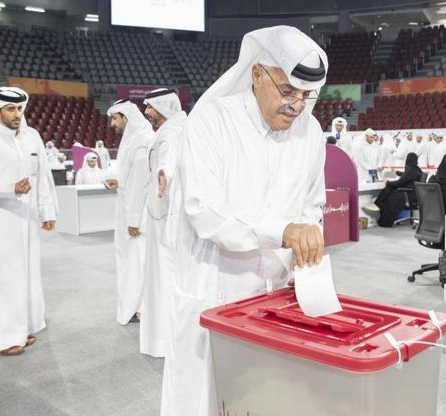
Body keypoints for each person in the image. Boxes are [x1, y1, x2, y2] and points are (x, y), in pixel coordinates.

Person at [160, 25, 328, 416]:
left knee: (262, 394)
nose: (297, 106)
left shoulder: (312, 132)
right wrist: (283, 231)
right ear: (256, 73)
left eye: (306, 95)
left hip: (275, 291)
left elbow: (312, 204)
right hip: (213, 284)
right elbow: (204, 208)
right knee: (202, 394)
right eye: (288, 91)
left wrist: (306, 238)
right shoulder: (212, 119)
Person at [0, 87, 58, 356]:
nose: (17, 114)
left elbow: (43, 177)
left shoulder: (32, 138)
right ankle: (5, 339)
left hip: (27, 221)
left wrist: (47, 212)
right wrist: (10, 189)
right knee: (3, 277)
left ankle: (21, 329)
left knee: (25, 276)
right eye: (11, 109)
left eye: (20, 109)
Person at [139, 87, 187, 358]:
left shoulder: (170, 134)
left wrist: (163, 174)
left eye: (151, 108)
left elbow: (167, 161)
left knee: (163, 275)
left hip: (164, 216)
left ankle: (164, 339)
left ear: (164, 107)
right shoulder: (181, 127)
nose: (147, 113)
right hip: (169, 213)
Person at [105, 98, 154, 325]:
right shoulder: (132, 139)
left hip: (138, 216)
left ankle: (143, 307)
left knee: (139, 261)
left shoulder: (143, 140)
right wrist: (118, 181)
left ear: (126, 117)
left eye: (115, 118)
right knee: (129, 260)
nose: (112, 123)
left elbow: (140, 184)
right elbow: (130, 179)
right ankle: (133, 305)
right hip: (128, 211)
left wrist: (134, 220)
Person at [366, 153, 423, 227]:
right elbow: (405, 176)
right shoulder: (415, 169)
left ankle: (384, 219)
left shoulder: (411, 171)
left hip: (409, 195)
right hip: (412, 193)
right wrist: (396, 172)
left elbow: (398, 183)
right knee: (389, 189)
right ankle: (377, 204)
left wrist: (387, 182)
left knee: (390, 194)